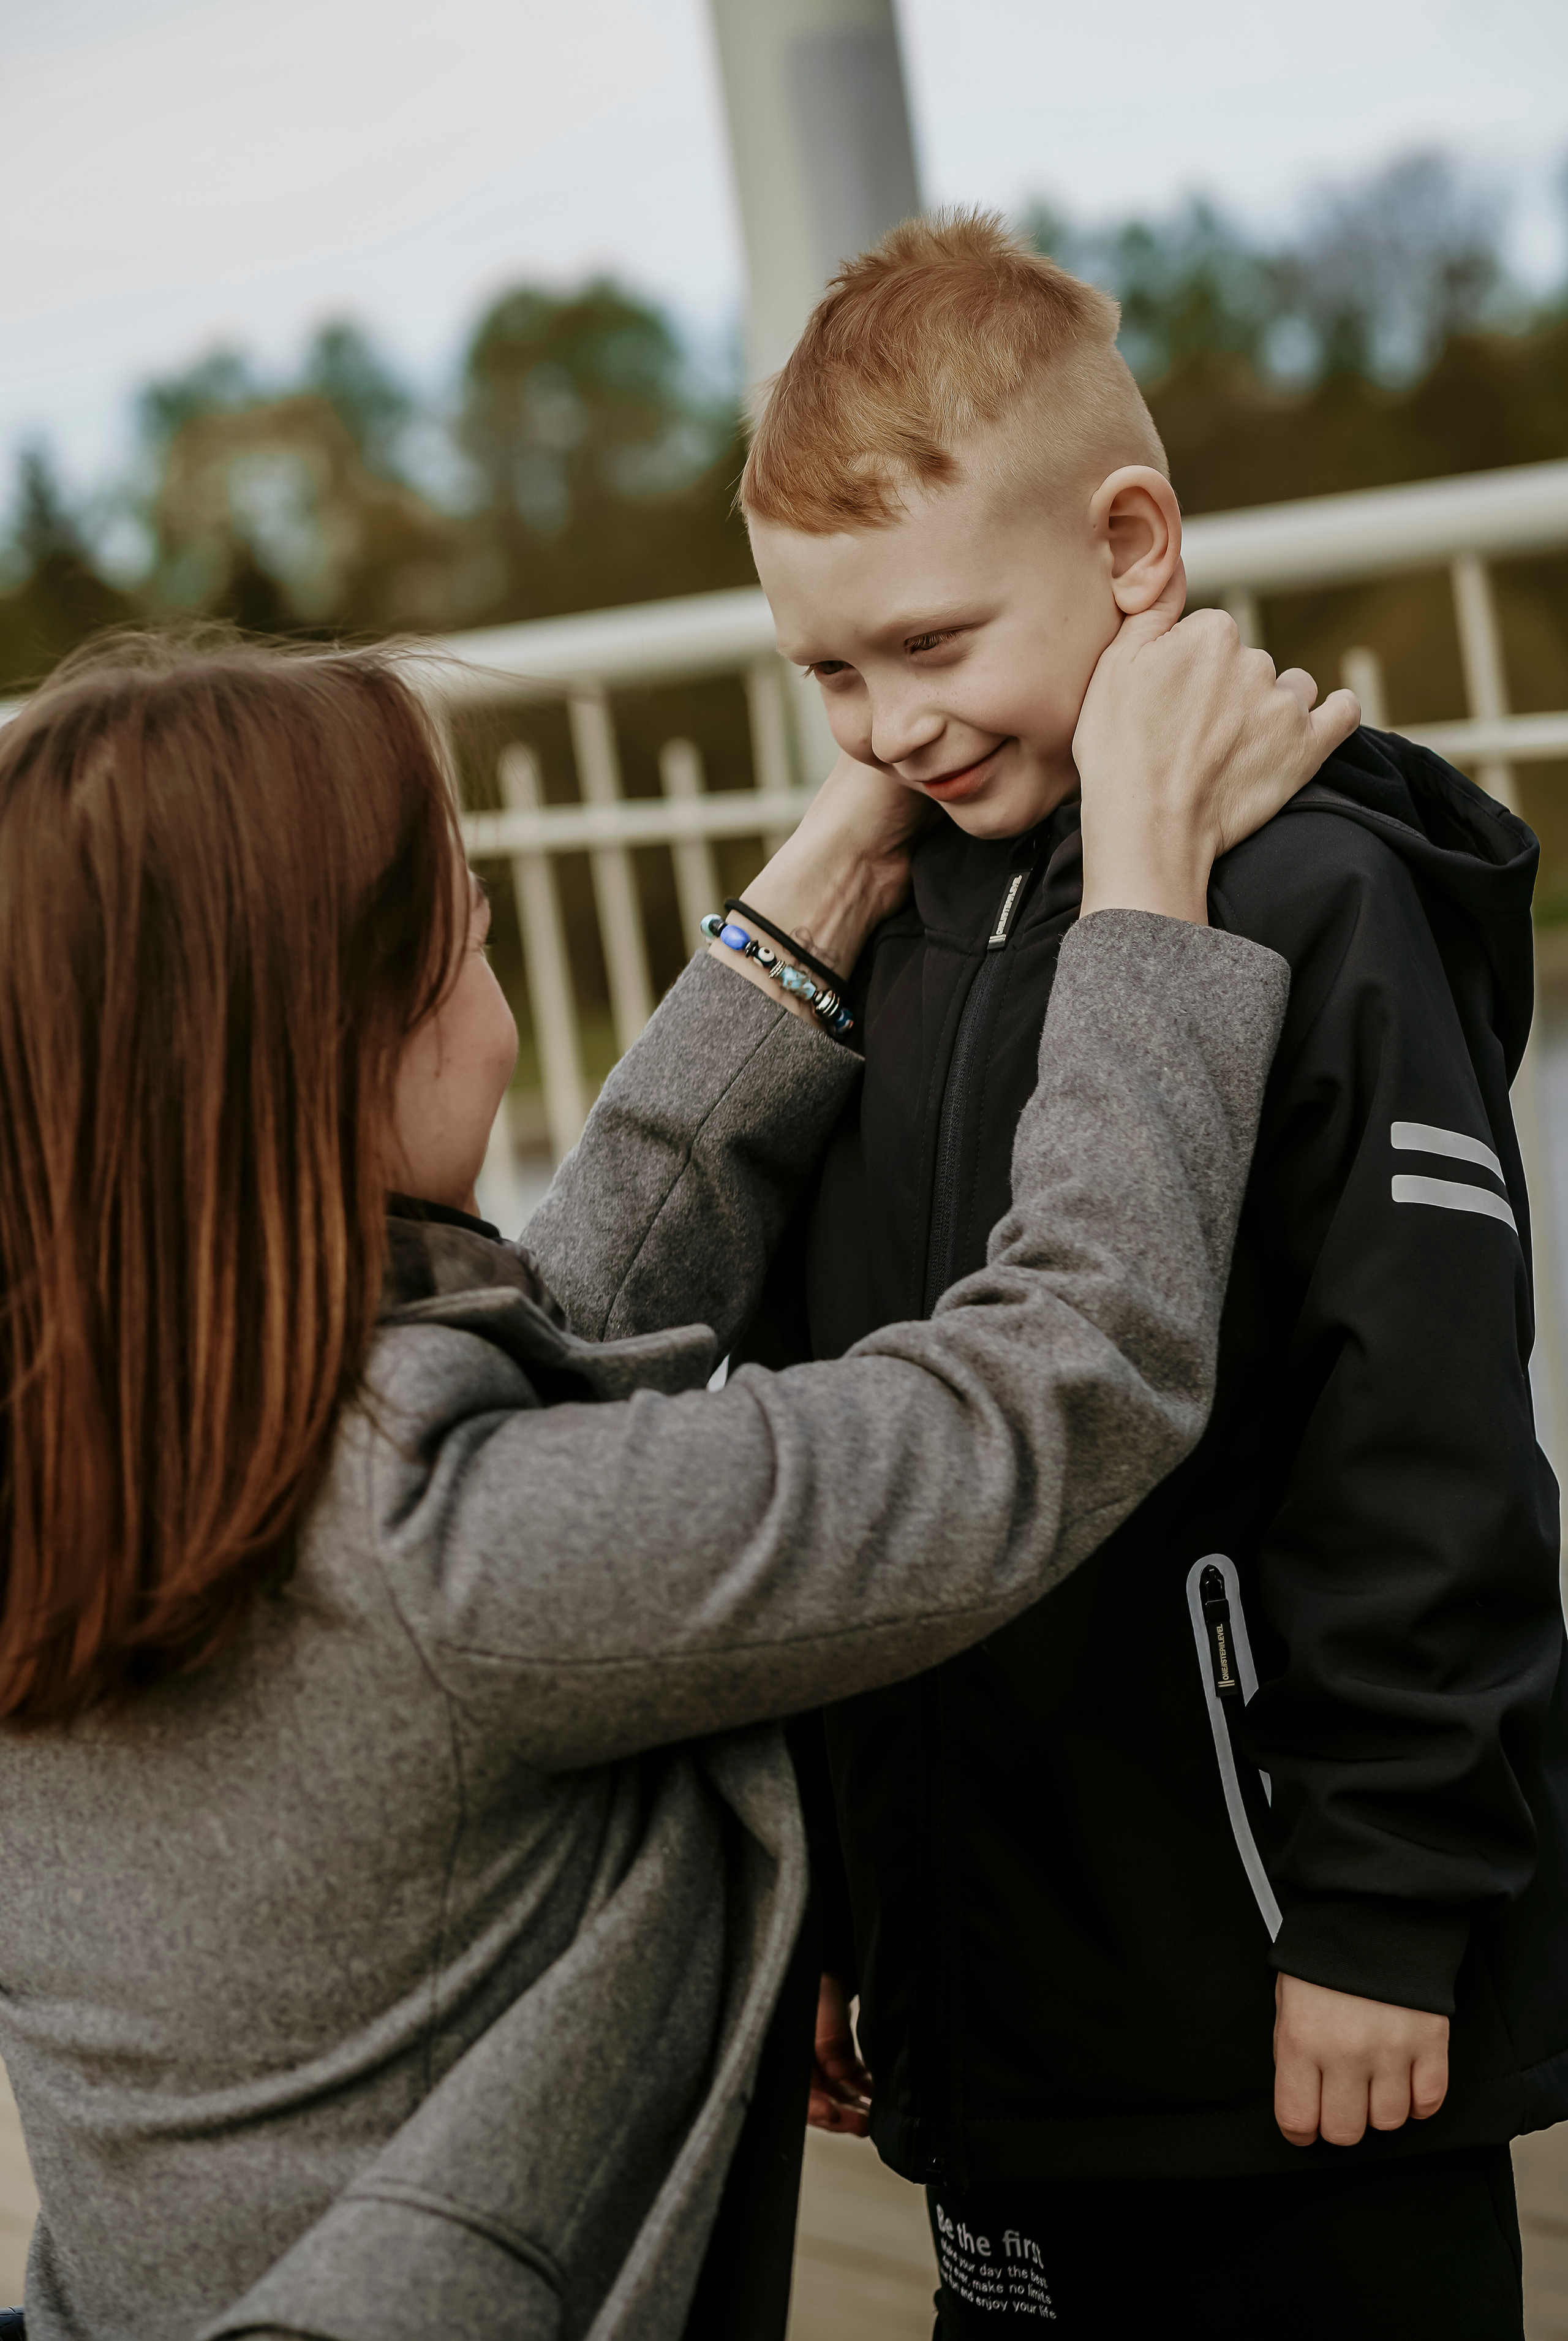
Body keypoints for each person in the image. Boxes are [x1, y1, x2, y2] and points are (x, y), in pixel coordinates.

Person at [0, 622, 1338, 2341]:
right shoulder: (446, 1553)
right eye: (475, 946)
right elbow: (1053, 1391)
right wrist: (1146, 889)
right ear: (353, 1043)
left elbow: (547, 1335)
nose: (492, 1001)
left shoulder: (116, 1450)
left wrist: (846, 856)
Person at [740, 211, 1566, 2340]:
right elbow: (835, 1455)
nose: (887, 728)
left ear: (1132, 552)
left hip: (1290, 2016)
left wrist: (1381, 1913)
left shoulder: (1315, 904)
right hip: (998, 2027)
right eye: (831, 674)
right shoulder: (891, 946)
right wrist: (853, 1907)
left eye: (930, 646)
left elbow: (1428, 1445)